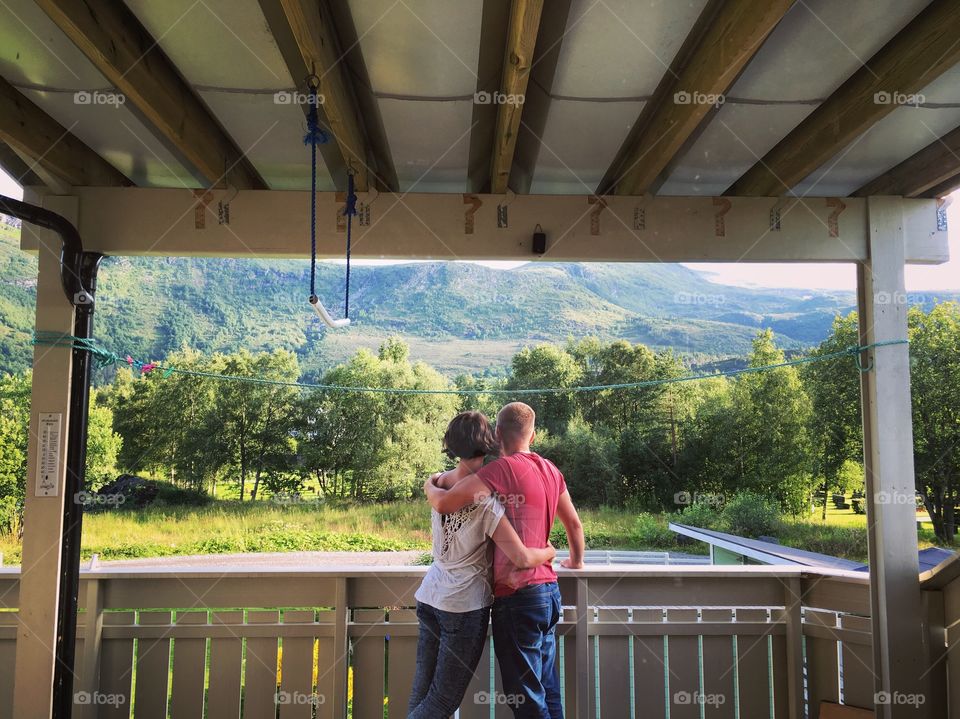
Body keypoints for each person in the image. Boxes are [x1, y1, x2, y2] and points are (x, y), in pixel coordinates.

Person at [425, 402, 585, 719]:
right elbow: (575, 526)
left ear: (498, 434)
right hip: (549, 594)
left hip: (517, 598)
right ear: (533, 435)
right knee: (549, 690)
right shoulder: (551, 470)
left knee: (526, 698)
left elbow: (444, 503)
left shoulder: (499, 471)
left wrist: (429, 483)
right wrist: (575, 562)